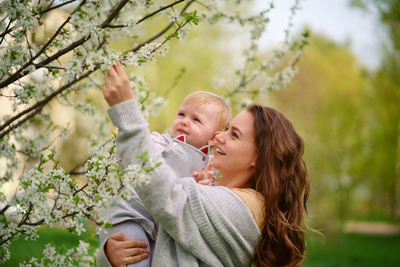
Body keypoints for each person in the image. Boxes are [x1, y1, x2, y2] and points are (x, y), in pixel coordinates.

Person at [99, 63, 311, 267]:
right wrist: (112, 255)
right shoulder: (215, 192)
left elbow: (167, 197)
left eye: (234, 135)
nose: (219, 136)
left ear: (259, 158)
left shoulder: (245, 207)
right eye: (226, 129)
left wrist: (126, 110)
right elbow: (163, 241)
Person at [97, 62, 231, 266]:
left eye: (196, 120)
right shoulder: (161, 142)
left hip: (166, 231)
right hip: (134, 215)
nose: (185, 121)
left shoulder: (212, 167)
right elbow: (136, 154)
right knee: (135, 257)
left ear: (214, 137)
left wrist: (205, 186)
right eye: (181, 114)